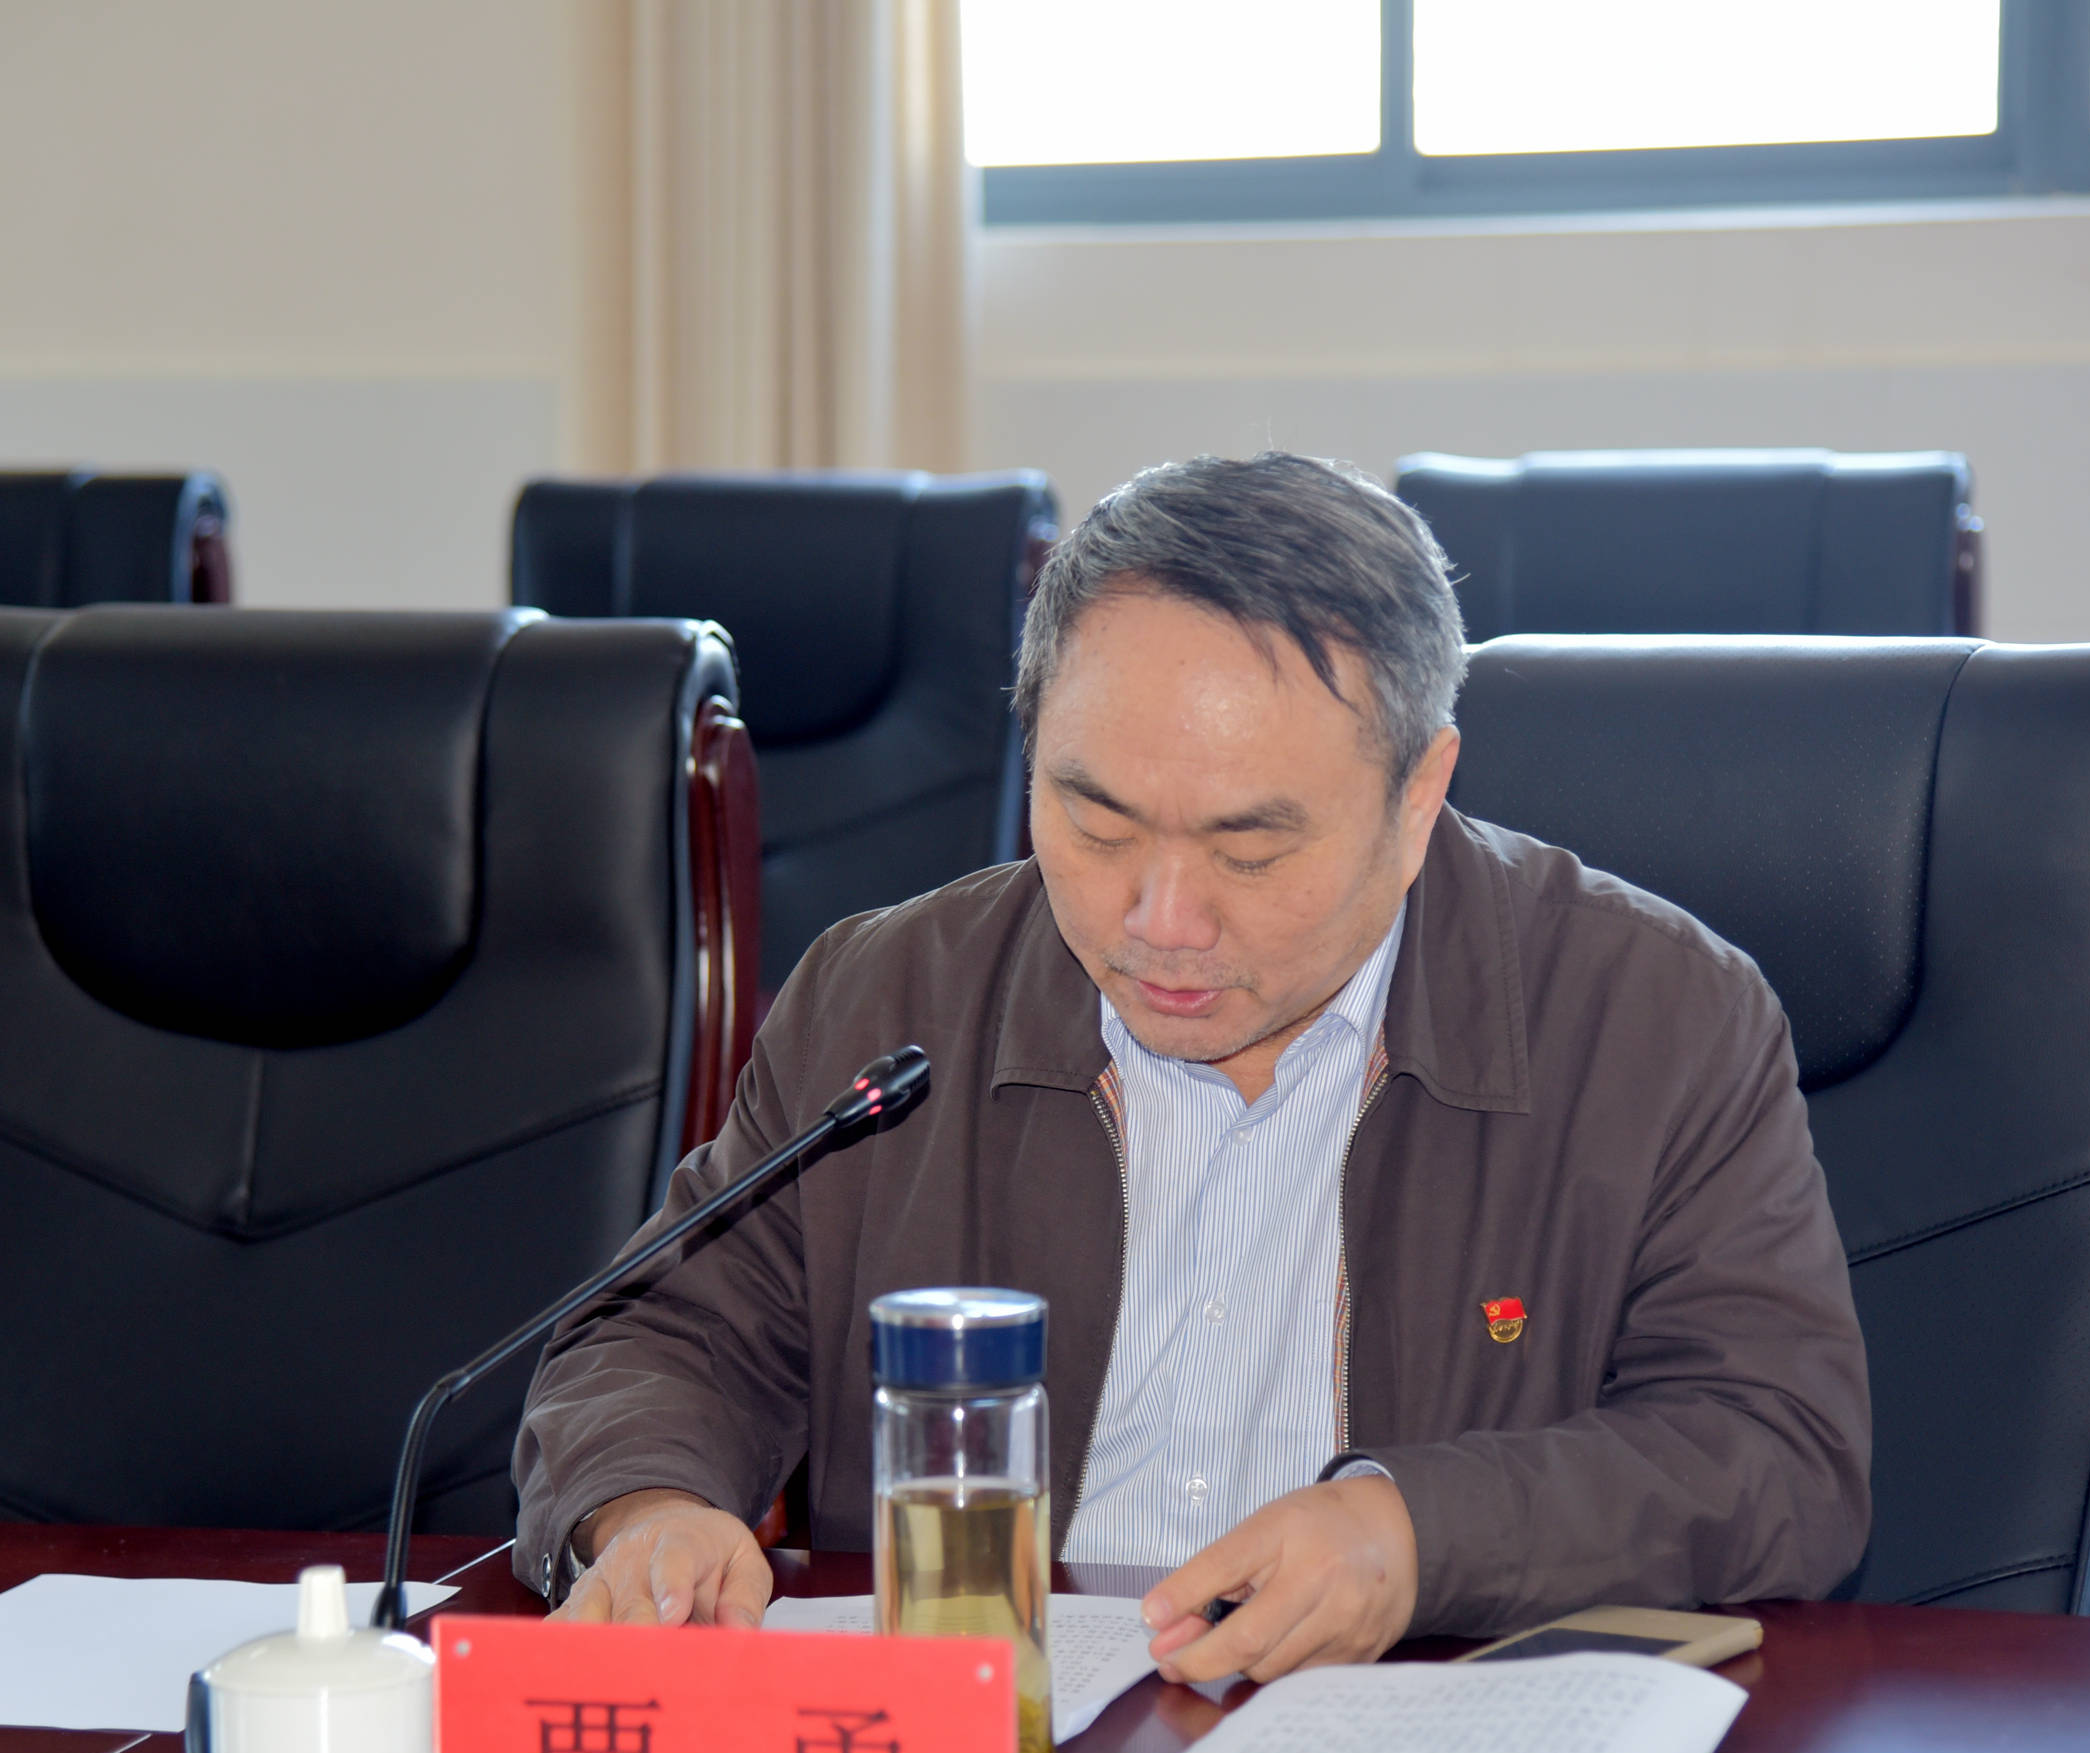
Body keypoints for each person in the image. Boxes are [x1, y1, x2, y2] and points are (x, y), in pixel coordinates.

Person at [514, 451, 1870, 1683]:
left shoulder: (1654, 1018)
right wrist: (649, 1510)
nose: (1161, 920)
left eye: (1249, 849)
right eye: (1096, 823)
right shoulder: (890, 994)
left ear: (1419, 796)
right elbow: (663, 1336)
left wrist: (1418, 1533)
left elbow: (1776, 1451)